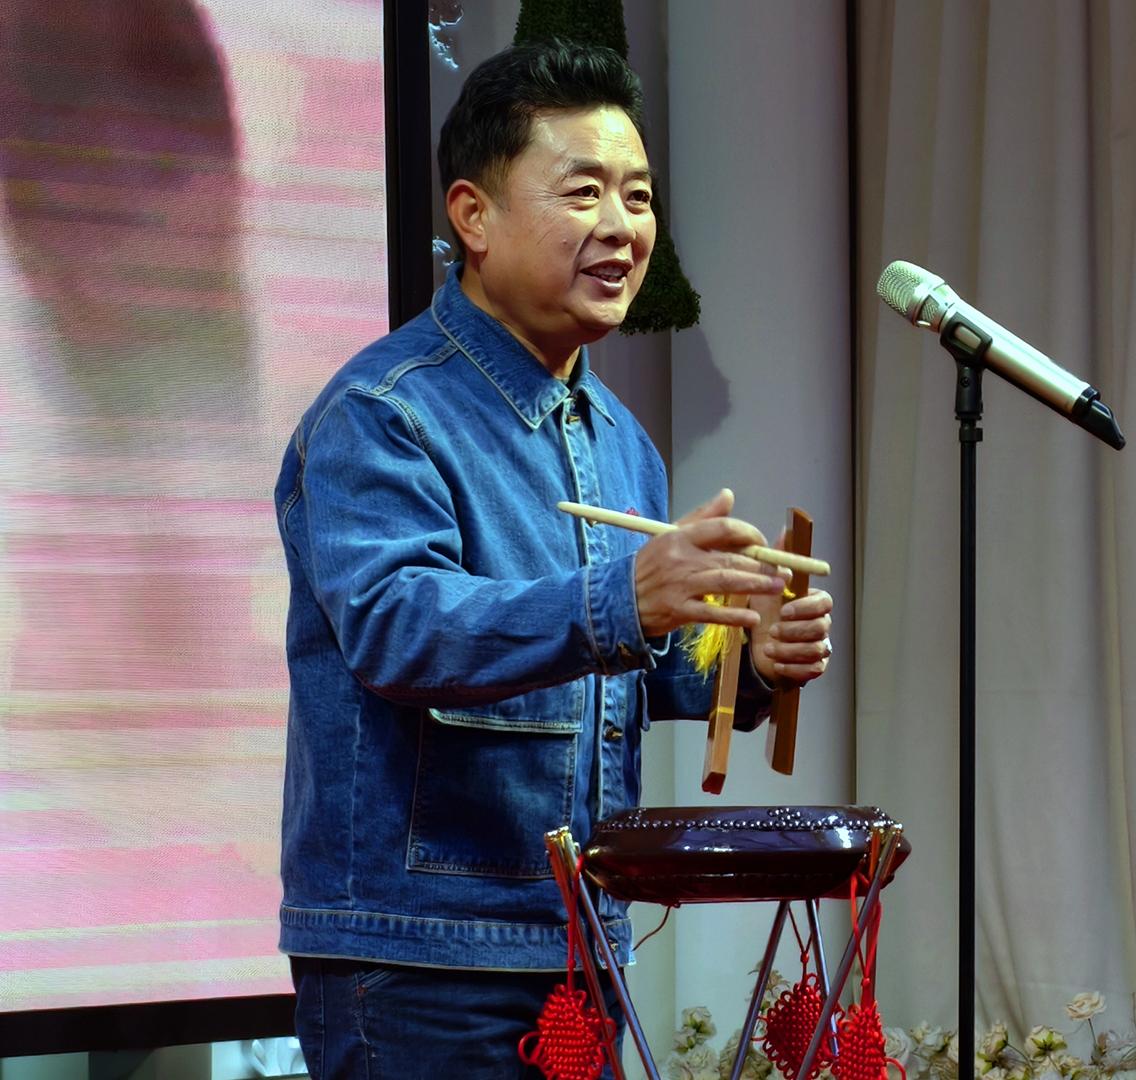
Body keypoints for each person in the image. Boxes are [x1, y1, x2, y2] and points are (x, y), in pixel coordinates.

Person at [273, 41, 833, 1078]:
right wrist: (626, 596)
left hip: (578, 943)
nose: (623, 227)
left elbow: (636, 671)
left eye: (638, 196)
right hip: (419, 957)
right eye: (584, 193)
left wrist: (748, 660)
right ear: (473, 216)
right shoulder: (383, 413)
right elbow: (400, 630)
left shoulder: (620, 439)